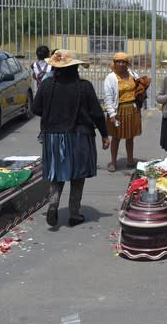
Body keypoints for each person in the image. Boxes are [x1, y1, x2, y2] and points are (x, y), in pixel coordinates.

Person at [32, 50, 110, 227]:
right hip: (79, 136)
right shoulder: (84, 86)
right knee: (78, 175)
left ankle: (53, 203)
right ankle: (74, 213)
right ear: (75, 67)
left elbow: (36, 109)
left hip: (53, 136)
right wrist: (105, 135)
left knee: (56, 174)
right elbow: (97, 114)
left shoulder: (47, 85)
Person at [103, 52, 142, 172]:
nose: (121, 64)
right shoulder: (111, 78)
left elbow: (139, 86)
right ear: (114, 63)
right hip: (118, 110)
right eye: (118, 62)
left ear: (127, 64)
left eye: (124, 62)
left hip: (132, 109)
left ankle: (130, 160)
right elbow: (108, 98)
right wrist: (111, 114)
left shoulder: (132, 74)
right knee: (116, 137)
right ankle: (113, 162)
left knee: (130, 137)